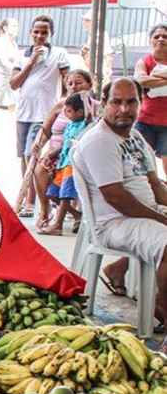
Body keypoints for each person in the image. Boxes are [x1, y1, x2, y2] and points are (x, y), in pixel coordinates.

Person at [74, 78, 167, 324]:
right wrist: (161, 219)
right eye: (116, 102)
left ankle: (119, 270)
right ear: (104, 103)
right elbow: (116, 197)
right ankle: (161, 307)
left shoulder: (135, 136)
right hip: (114, 222)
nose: (124, 109)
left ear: (140, 103)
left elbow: (155, 185)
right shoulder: (100, 141)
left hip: (142, 214)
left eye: (131, 102)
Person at [23, 69, 96, 225]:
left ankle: (69, 217)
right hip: (57, 154)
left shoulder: (94, 108)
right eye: (70, 83)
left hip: (80, 155)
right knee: (40, 169)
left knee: (70, 176)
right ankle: (45, 210)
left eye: (79, 83)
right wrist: (39, 145)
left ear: (89, 85)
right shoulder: (60, 105)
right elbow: (45, 130)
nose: (74, 86)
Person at [10, 14, 69, 176]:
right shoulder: (22, 55)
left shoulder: (59, 53)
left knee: (31, 153)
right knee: (23, 155)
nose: (39, 36)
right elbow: (13, 84)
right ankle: (26, 187)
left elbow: (67, 78)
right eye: (36, 32)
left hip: (44, 113)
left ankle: (33, 190)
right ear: (30, 32)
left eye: (44, 32)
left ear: (51, 34)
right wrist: (31, 61)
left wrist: (63, 101)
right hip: (23, 112)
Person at [39, 92, 90, 235]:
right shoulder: (70, 125)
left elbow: (90, 114)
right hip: (63, 163)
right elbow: (66, 144)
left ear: (80, 112)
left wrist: (85, 100)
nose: (66, 114)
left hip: (73, 164)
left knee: (65, 195)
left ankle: (58, 225)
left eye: (69, 111)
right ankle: (77, 215)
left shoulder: (85, 125)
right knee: (52, 194)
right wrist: (53, 154)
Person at [134, 23, 167, 176]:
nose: (161, 39)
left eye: (165, 36)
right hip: (145, 120)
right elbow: (141, 80)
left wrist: (153, 78)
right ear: (150, 41)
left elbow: (147, 80)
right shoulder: (144, 61)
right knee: (141, 161)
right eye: (156, 36)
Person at [81, 13, 114, 82]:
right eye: (84, 20)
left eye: (87, 21)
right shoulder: (92, 34)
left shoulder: (100, 34)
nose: (84, 23)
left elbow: (107, 54)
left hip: (100, 66)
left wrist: (107, 70)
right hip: (94, 66)